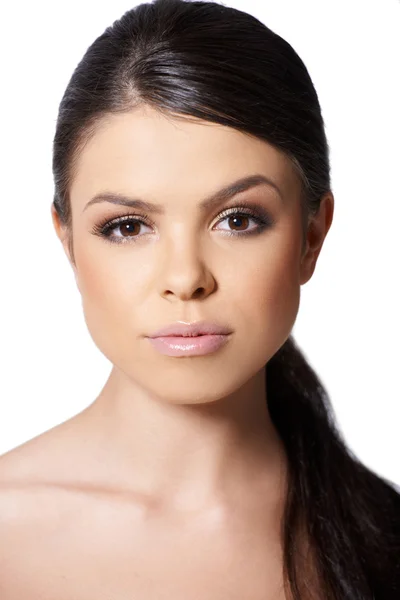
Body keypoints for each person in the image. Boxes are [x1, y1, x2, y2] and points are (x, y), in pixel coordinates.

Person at [0, 0, 398, 598]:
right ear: (69, 244)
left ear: (312, 236)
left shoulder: (383, 537)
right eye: (128, 226)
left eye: (238, 220)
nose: (186, 278)